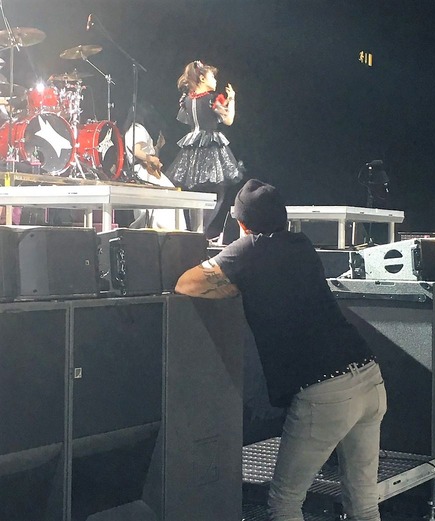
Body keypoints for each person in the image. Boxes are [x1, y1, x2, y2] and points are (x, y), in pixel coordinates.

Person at [175, 178, 387, 521]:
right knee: (364, 505)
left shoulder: (250, 250)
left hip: (326, 392)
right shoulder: (301, 244)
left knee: (285, 503)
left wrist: (231, 278)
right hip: (368, 377)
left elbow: (186, 284)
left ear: (242, 223)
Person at [165, 60, 243, 240]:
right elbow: (228, 120)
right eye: (212, 77)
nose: (215, 80)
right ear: (202, 78)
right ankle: (203, 234)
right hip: (209, 145)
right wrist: (232, 99)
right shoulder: (212, 99)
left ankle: (195, 232)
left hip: (192, 148)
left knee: (195, 192)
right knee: (217, 191)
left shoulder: (187, 100)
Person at [122, 102, 186, 230]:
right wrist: (150, 158)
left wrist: (158, 147)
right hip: (144, 170)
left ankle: (157, 225)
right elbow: (136, 151)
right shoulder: (137, 129)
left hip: (144, 169)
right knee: (168, 193)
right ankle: (165, 226)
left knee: (155, 198)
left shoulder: (133, 129)